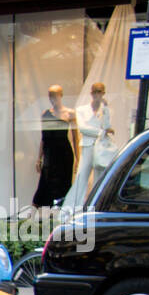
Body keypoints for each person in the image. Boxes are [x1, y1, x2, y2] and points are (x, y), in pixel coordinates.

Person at [61, 82, 115, 211]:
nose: (98, 95)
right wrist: (102, 132)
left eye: (100, 92)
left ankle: (96, 207)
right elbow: (84, 129)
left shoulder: (106, 109)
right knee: (81, 177)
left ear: (103, 93)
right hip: (88, 146)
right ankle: (71, 209)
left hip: (101, 146)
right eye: (95, 92)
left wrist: (106, 109)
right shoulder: (81, 110)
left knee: (100, 177)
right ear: (91, 93)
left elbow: (107, 126)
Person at [32, 85, 77, 209]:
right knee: (44, 185)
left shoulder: (70, 113)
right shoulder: (45, 114)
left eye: (55, 95)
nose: (52, 98)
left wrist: (78, 158)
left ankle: (61, 213)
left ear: (61, 95)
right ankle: (35, 217)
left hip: (64, 154)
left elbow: (75, 137)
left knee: (63, 185)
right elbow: (43, 137)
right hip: (49, 154)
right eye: (50, 95)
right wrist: (39, 158)